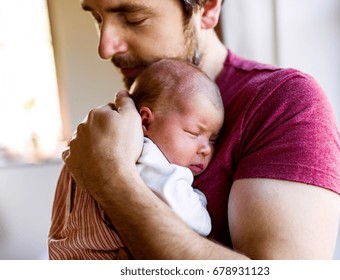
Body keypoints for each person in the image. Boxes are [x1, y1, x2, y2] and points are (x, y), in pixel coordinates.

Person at [58, 0, 340, 259]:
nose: (105, 48)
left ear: (207, 8)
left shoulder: (284, 103)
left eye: (133, 17)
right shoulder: (124, 117)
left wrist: (112, 178)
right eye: (97, 18)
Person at [48, 59, 224, 259]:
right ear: (146, 121)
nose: (206, 149)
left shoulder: (91, 142)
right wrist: (199, 199)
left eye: (213, 139)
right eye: (193, 132)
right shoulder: (149, 157)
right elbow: (197, 223)